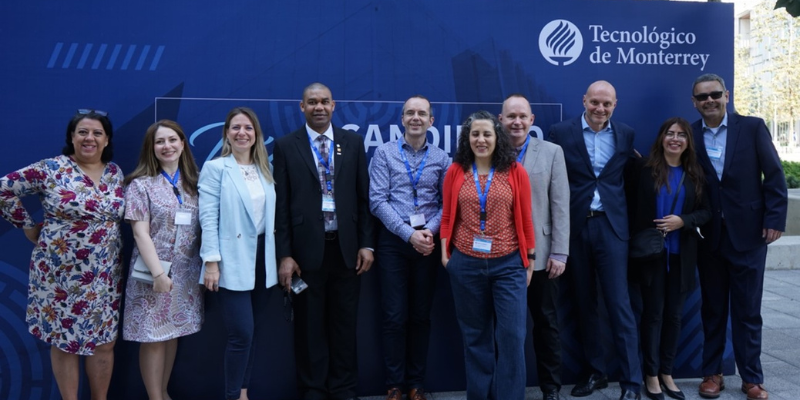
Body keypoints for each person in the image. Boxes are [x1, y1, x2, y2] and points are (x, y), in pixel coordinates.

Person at [0, 109, 124, 400]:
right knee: (64, 341)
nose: (89, 138)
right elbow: (3, 189)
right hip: (59, 275)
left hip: (104, 274)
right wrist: (27, 226)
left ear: (106, 140)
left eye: (97, 133)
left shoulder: (115, 173)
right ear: (72, 137)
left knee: (104, 342)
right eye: (82, 132)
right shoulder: (51, 168)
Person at [273, 83, 376, 400]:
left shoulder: (353, 142)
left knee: (345, 326)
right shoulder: (287, 145)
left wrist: (366, 244)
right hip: (306, 254)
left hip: (346, 251)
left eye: (324, 102)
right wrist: (285, 254)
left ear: (334, 106)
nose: (319, 106)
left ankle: (343, 389)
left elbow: (363, 198)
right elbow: (282, 205)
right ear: (301, 107)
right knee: (309, 328)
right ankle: (313, 390)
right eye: (312, 102)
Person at [690, 73, 787, 400]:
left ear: (727, 96)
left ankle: (751, 379)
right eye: (702, 97)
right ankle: (712, 374)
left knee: (748, 311)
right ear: (695, 102)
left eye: (715, 94)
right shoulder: (689, 134)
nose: (709, 101)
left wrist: (775, 218)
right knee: (713, 310)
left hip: (749, 235)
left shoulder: (753, 127)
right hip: (710, 237)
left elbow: (774, 174)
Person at [547, 80, 642, 400]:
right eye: (595, 102)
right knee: (585, 304)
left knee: (620, 305)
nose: (600, 109)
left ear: (615, 105)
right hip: (574, 229)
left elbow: (629, 180)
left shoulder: (626, 134)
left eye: (607, 104)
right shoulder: (561, 132)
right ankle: (596, 372)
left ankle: (632, 382)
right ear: (584, 100)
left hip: (612, 229)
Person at [440, 110, 535, 400]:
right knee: (475, 337)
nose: (481, 140)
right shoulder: (456, 170)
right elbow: (447, 217)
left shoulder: (515, 171)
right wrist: (446, 255)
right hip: (466, 264)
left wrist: (529, 259)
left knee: (512, 338)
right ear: (467, 139)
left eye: (487, 134)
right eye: (475, 134)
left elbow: (526, 218)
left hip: (508, 265)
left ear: (498, 138)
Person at [369, 95, 450, 400]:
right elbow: (377, 200)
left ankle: (416, 384)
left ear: (432, 121)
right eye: (410, 113)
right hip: (394, 243)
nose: (416, 118)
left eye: (422, 113)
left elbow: (447, 203)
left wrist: (427, 232)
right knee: (393, 316)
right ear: (402, 119)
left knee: (420, 316)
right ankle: (394, 385)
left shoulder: (443, 159)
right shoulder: (384, 154)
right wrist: (408, 234)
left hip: (428, 244)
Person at [198, 107, 278, 400]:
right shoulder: (216, 168)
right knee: (241, 334)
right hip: (229, 261)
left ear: (256, 135)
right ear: (227, 134)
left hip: (261, 261)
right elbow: (207, 218)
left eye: (248, 128)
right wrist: (211, 262)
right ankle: (232, 396)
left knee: (252, 332)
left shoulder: (265, 170)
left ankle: (243, 393)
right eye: (235, 128)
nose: (242, 133)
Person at [628, 118, 711, 400]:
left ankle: (667, 372)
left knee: (674, 317)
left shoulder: (696, 173)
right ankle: (650, 375)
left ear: (688, 141)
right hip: (651, 256)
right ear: (661, 138)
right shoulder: (644, 169)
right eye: (670, 134)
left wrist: (683, 221)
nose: (675, 139)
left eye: (681, 135)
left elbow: (707, 213)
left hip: (681, 257)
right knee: (653, 316)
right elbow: (630, 207)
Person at [122, 120, 204, 400]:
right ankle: (154, 397)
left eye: (172, 140)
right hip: (153, 271)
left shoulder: (195, 182)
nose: (166, 146)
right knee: (154, 337)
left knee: (172, 334)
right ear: (151, 148)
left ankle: (164, 393)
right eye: (160, 142)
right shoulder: (140, 185)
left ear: (182, 144)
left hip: (186, 272)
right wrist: (158, 274)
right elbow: (139, 233)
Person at [499, 94, 570, 400]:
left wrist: (559, 251)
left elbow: (560, 205)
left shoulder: (552, 152)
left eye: (522, 116)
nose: (516, 122)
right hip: (500, 254)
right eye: (510, 116)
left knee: (546, 323)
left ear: (532, 120)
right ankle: (504, 388)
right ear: (500, 119)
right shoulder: (489, 150)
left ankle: (551, 388)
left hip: (541, 253)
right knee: (504, 328)